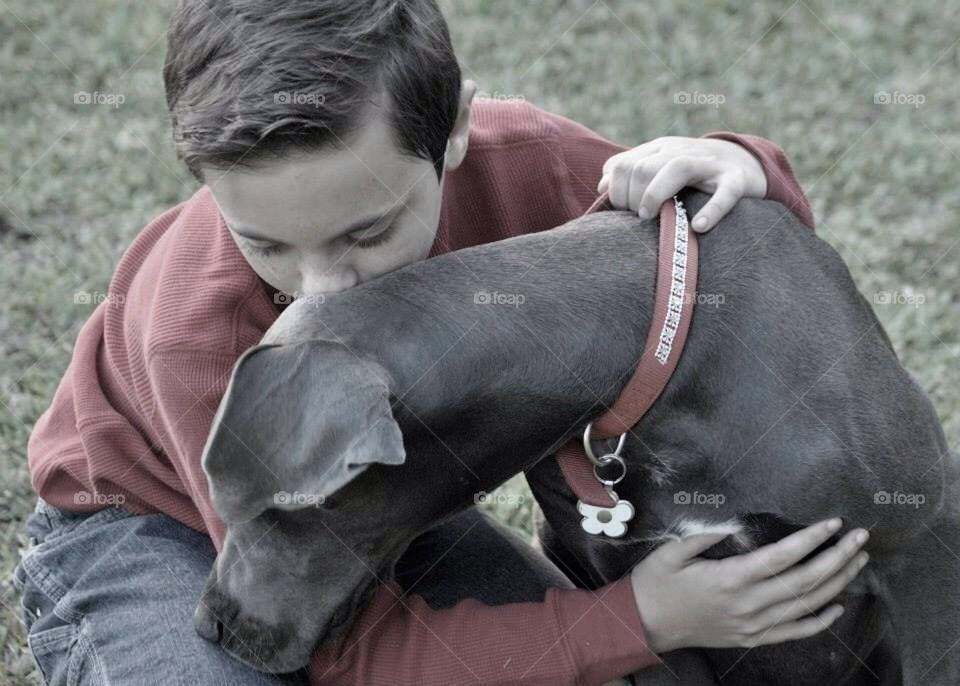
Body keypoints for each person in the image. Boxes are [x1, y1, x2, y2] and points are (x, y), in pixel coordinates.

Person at [13, 1, 867, 683]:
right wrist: (644, 618)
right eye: (267, 244)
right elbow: (346, 657)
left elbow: (709, 257)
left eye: (369, 230)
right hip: (150, 528)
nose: (323, 290)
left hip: (385, 514)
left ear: (454, 131)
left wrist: (740, 162)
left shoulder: (527, 161)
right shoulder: (197, 340)